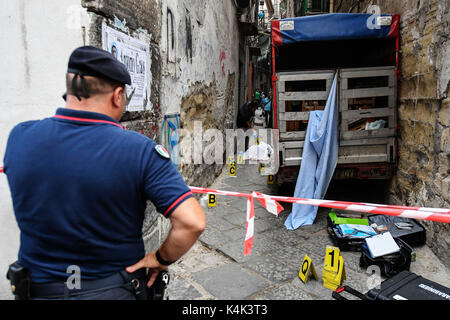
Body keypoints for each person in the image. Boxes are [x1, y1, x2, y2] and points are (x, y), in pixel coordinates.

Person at [3, 46, 206, 300]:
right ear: (118, 95)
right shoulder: (140, 151)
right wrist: (159, 258)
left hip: (39, 290)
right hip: (113, 290)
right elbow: (191, 222)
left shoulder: (20, 137)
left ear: (71, 90)